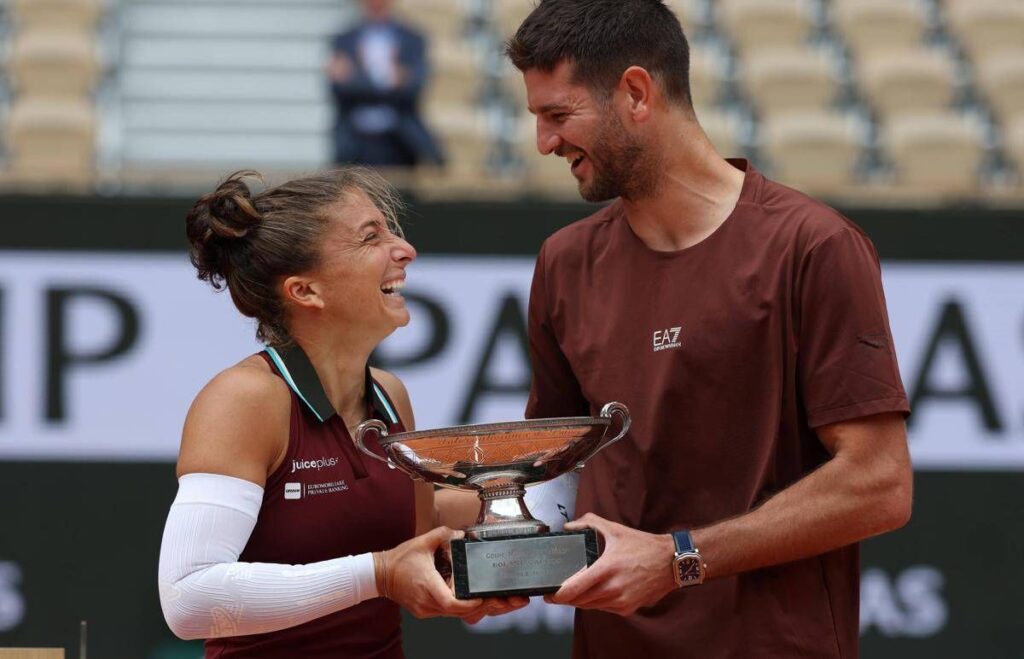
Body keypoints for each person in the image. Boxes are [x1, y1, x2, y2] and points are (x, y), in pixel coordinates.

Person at [507, 1, 914, 657]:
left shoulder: (814, 246)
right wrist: (486, 558)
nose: (544, 143)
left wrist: (679, 558)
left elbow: (880, 485)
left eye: (558, 115)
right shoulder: (563, 262)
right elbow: (556, 479)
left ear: (636, 93)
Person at [157, 168, 524, 658]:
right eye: (371, 237)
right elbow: (187, 599)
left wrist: (524, 518)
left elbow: (421, 536)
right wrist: (379, 574)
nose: (405, 249)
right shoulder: (245, 398)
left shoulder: (390, 394)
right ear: (306, 291)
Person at [328, 0, 445, 167]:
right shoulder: (344, 39)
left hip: (399, 138)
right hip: (355, 140)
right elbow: (339, 89)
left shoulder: (412, 38)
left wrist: (357, 79)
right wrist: (390, 81)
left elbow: (413, 88)